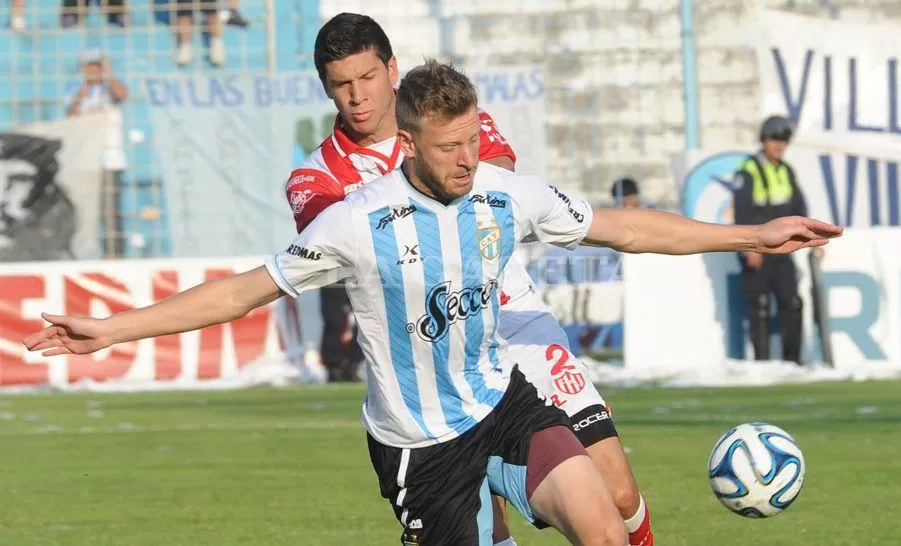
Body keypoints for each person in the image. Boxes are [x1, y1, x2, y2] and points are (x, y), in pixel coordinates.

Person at [25, 61, 841, 544]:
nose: (469, 159)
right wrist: (111, 329)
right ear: (408, 143)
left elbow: (625, 228)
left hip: (506, 405)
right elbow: (242, 291)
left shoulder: (501, 192)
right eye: (451, 148)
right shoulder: (355, 222)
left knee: (603, 521)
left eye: (476, 140)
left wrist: (753, 237)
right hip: (422, 451)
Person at [286, 12, 646, 544]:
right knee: (488, 523)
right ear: (326, 88)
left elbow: (491, 174)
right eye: (342, 85)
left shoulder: (447, 117)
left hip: (514, 320)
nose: (357, 96)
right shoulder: (316, 177)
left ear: (392, 70)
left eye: (367, 78)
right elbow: (333, 243)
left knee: (616, 494)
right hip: (435, 355)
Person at [732, 115, 818, 365]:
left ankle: (793, 363)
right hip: (757, 248)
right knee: (759, 306)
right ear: (764, 140)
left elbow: (799, 208)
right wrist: (751, 247)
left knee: (792, 303)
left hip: (782, 251)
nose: (779, 146)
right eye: (774, 140)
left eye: (783, 141)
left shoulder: (786, 170)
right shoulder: (749, 170)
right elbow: (742, 211)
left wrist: (813, 237)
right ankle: (763, 365)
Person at [67, 48, 129, 258]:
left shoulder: (110, 89)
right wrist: (81, 95)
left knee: (111, 210)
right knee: (86, 212)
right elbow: (70, 119)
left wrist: (108, 75)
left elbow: (123, 94)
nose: (93, 70)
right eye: (89, 66)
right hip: (87, 162)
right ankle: (86, 254)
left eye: (97, 66)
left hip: (111, 160)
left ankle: (115, 254)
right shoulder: (78, 92)